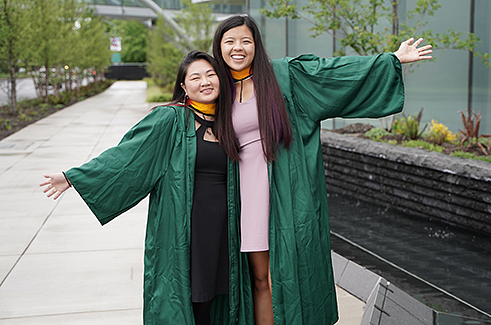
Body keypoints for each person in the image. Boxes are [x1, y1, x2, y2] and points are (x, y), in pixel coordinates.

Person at [210, 14, 433, 325]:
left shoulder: (283, 77)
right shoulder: (218, 89)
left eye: (245, 41)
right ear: (219, 47)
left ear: (256, 45)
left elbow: (332, 74)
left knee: (283, 276)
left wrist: (391, 59)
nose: (238, 48)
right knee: (259, 280)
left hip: (283, 189)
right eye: (230, 41)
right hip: (241, 195)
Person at [39, 51, 235, 325]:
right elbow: (128, 155)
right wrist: (74, 177)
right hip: (186, 227)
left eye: (211, 74)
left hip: (225, 228)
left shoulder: (230, 122)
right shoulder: (171, 120)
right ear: (183, 86)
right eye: (196, 77)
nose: (205, 81)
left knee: (219, 298)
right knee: (192, 299)